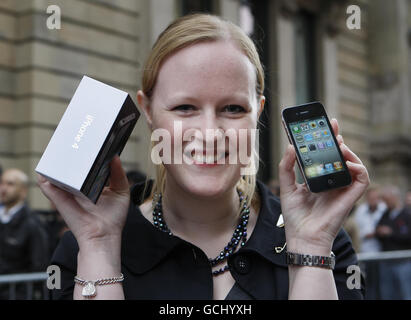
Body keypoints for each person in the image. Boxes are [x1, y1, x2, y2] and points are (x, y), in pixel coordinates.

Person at [38, 14, 369, 300]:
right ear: (148, 110)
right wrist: (98, 246)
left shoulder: (325, 240)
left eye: (233, 109)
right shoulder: (81, 249)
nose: (210, 133)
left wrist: (311, 248)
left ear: (258, 114)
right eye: (185, 108)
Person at [0, 168, 49, 299]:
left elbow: (39, 264)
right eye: (2, 183)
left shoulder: (32, 223)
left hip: (16, 294)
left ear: (23, 191)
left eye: (10, 184)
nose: (3, 188)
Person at [375, 185, 411, 299]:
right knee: (387, 293)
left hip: (403, 261)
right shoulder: (385, 214)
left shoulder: (407, 214)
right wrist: (380, 232)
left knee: (405, 292)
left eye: (387, 199)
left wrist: (391, 233)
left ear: (395, 198)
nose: (385, 203)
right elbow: (378, 229)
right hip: (386, 259)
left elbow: (408, 236)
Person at [354, 187, 386, 253]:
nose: (373, 200)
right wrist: (368, 234)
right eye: (371, 198)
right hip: (365, 250)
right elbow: (356, 230)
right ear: (367, 198)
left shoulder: (384, 209)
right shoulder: (360, 211)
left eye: (375, 198)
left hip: (382, 249)